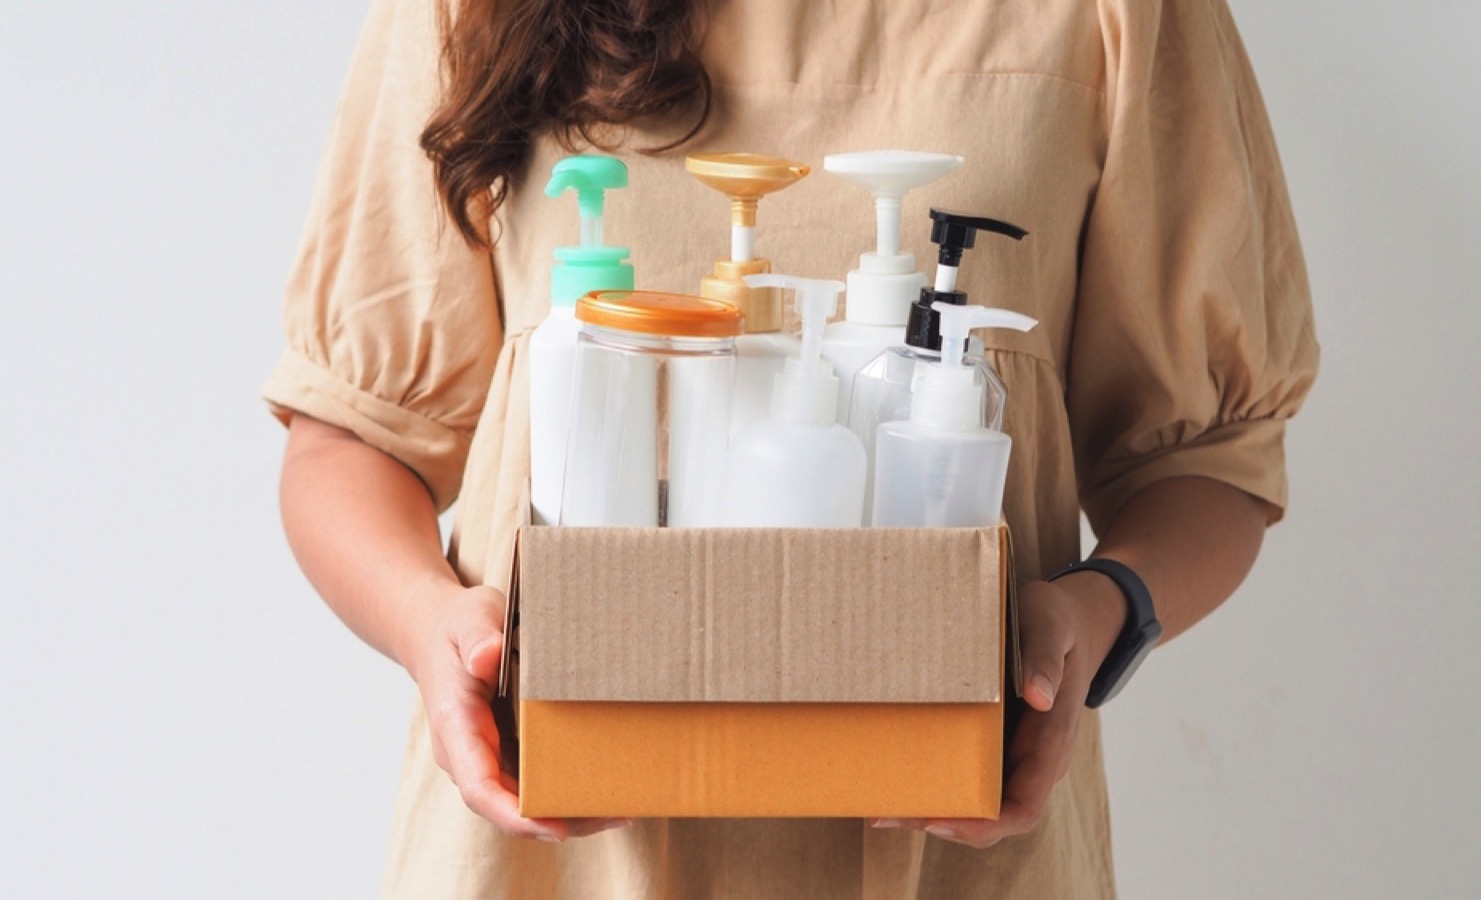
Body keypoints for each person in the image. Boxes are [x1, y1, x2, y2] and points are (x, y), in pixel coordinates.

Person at [266, 0, 1319, 896]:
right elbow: (353, 435)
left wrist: (1098, 617)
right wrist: (428, 625)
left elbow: (1209, 461)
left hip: (957, 835)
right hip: (557, 841)